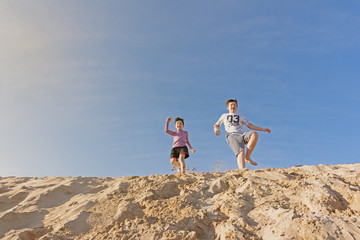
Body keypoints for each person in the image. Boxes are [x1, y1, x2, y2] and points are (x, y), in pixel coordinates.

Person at [213, 99, 271, 169]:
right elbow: (216, 125)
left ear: (237, 107)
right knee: (241, 151)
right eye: (231, 105)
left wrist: (262, 129)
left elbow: (250, 126)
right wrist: (216, 129)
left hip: (242, 134)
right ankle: (242, 170)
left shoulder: (241, 115)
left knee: (254, 134)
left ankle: (248, 157)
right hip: (231, 135)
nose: (233, 106)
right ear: (228, 107)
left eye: (235, 105)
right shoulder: (224, 115)